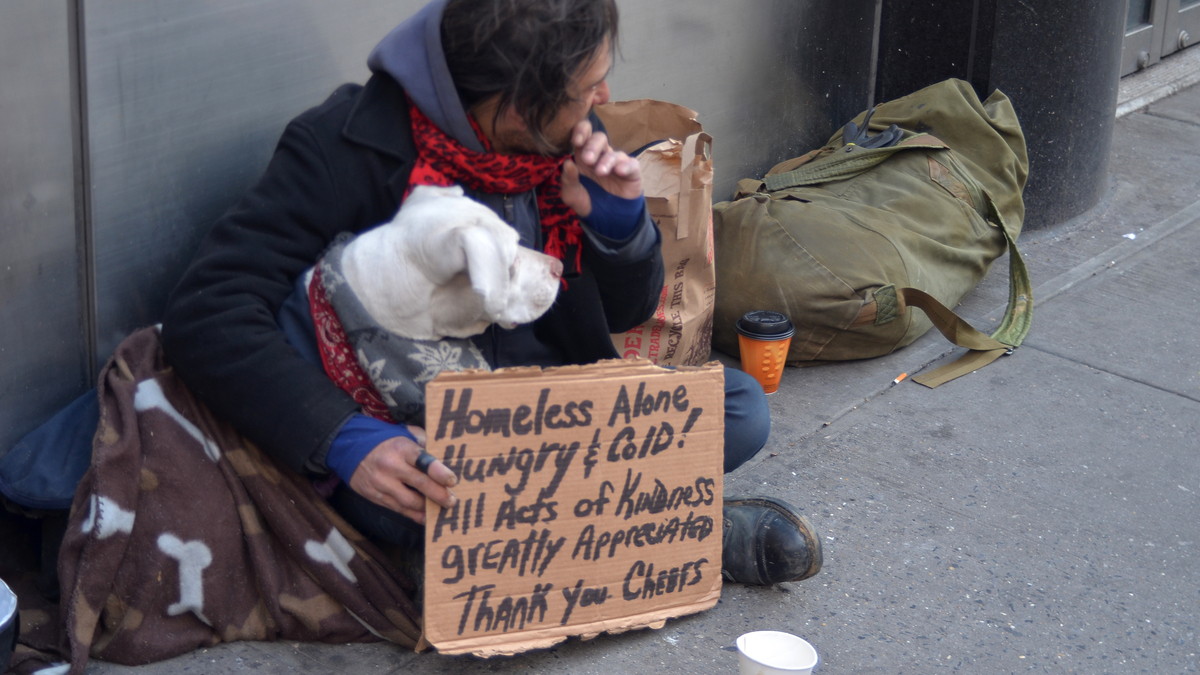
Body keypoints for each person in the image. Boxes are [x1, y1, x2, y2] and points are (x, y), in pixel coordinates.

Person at [160, 0, 820, 587]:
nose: (603, 97)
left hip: (548, 414)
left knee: (737, 408)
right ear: (513, 104)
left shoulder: (560, 152)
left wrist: (619, 224)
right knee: (426, 495)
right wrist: (343, 437)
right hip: (417, 431)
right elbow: (209, 308)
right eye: (584, 88)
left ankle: (520, 551)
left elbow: (626, 312)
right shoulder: (343, 146)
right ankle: (674, 539)